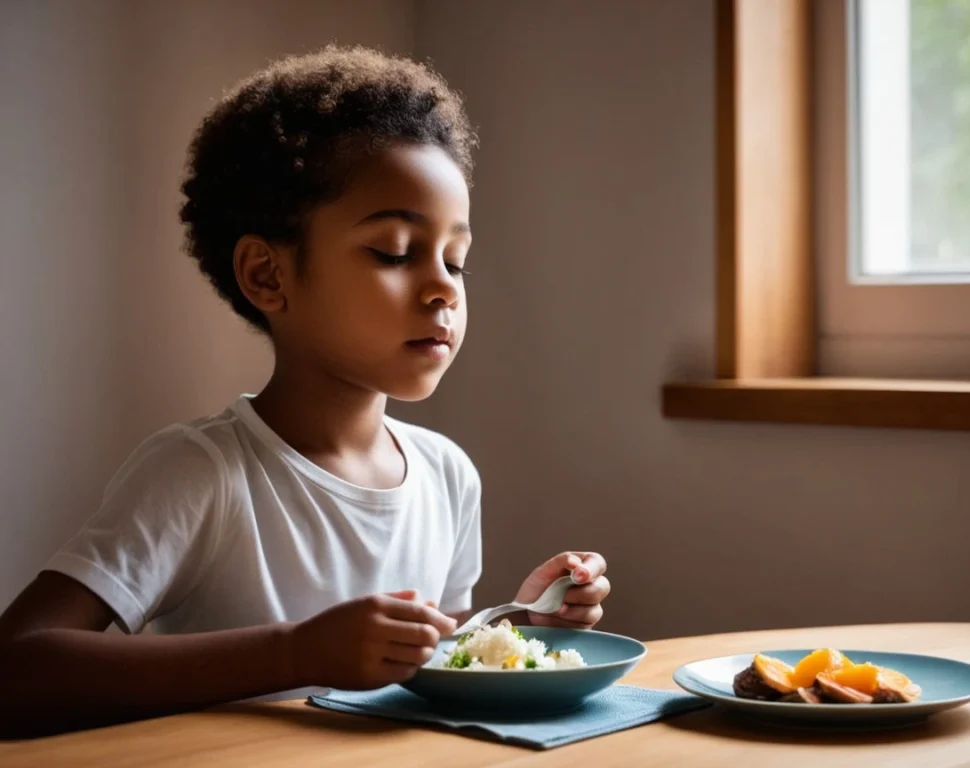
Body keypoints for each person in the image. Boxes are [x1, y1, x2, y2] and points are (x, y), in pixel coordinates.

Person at [0, 45, 610, 737]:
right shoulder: (202, 474)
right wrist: (294, 652)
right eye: (394, 252)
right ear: (267, 275)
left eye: (456, 260)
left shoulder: (448, 475)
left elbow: (428, 658)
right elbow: (16, 669)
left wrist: (513, 624)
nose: (444, 287)